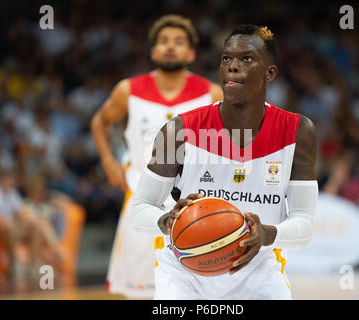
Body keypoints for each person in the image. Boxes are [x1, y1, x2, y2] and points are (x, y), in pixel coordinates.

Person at [131, 24, 318, 300]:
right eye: (226, 59)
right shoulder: (179, 131)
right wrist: (166, 220)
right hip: (184, 272)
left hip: (259, 271)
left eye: (246, 59)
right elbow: (139, 210)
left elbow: (304, 225)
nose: (232, 66)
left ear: (270, 73)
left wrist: (267, 234)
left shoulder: (298, 132)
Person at [91, 15, 223, 298]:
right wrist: (108, 162)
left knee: (196, 287)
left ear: (191, 53)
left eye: (178, 42)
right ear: (153, 51)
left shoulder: (211, 93)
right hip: (142, 195)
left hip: (193, 199)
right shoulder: (128, 90)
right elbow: (99, 122)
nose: (170, 47)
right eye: (163, 42)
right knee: (139, 290)